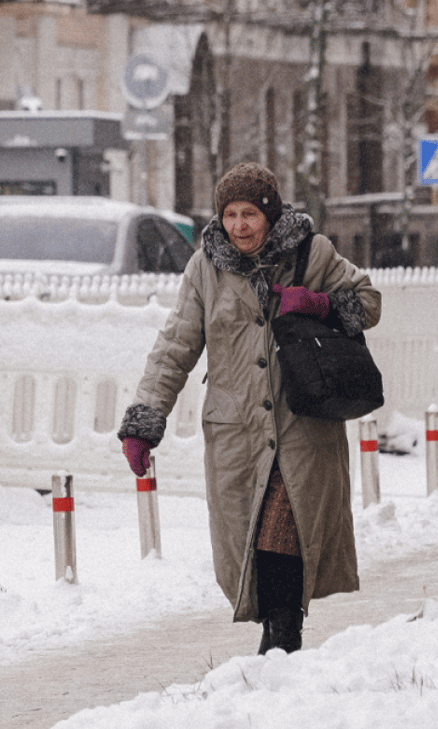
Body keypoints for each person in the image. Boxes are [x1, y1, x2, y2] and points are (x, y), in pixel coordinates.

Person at [116, 162, 381, 655]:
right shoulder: (205, 268)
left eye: (250, 214)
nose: (240, 225)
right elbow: (176, 345)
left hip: (303, 425)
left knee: (287, 529)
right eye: (231, 214)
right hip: (237, 430)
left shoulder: (313, 253)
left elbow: (367, 301)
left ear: (270, 212)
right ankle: (278, 640)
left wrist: (319, 304)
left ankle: (282, 643)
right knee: (255, 541)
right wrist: (145, 422)